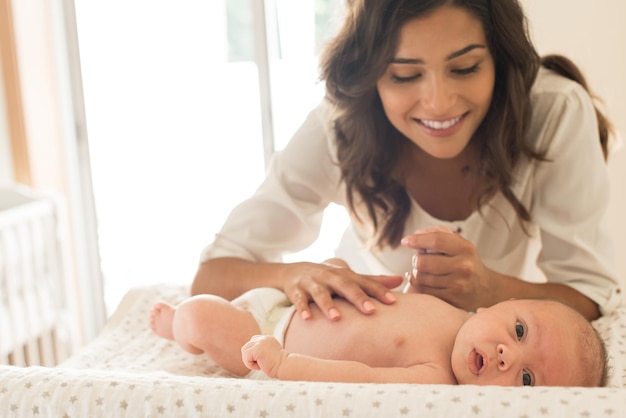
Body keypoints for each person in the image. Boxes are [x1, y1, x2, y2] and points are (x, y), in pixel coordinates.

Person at [192, 0, 622, 322]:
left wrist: (488, 288)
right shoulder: (338, 128)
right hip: (369, 334)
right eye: (404, 75)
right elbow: (212, 275)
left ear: (500, 59)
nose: (438, 103)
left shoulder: (553, 111)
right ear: (371, 74)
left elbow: (592, 294)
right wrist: (293, 276)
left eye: (466, 67)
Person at [150, 267, 608, 386]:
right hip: (301, 301)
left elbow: (361, 377)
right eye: (520, 331)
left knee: (200, 315)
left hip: (268, 339)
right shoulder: (455, 310)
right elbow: (394, 304)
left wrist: (285, 362)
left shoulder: (435, 376)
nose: (510, 355)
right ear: (499, 305)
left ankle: (178, 330)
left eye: (526, 380)